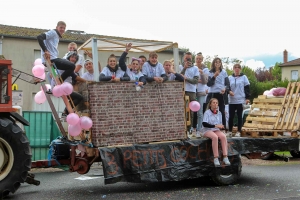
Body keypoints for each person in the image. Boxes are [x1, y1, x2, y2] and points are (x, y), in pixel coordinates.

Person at [50, 51, 85, 118]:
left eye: (75, 58)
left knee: (75, 98)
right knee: (79, 97)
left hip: (63, 88)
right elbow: (75, 77)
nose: (73, 59)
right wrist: (86, 81)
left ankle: (66, 112)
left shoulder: (66, 66)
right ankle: (66, 111)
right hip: (62, 88)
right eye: (72, 57)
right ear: (68, 57)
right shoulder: (68, 66)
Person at [201, 98, 231, 166]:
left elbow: (219, 124)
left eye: (216, 103)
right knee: (215, 137)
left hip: (215, 130)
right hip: (207, 130)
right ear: (210, 104)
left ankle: (225, 156)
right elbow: (204, 124)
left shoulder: (219, 113)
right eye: (214, 103)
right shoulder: (207, 112)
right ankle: (216, 158)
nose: (215, 104)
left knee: (223, 136)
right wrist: (215, 125)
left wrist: (221, 127)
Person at [206, 57, 231, 132]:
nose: (217, 63)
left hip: (221, 93)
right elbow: (209, 84)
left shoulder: (224, 72)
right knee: (212, 111)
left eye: (219, 62)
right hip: (213, 93)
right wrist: (214, 76)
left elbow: (227, 84)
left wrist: (225, 89)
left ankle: (223, 128)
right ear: (213, 63)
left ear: (221, 64)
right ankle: (211, 128)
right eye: (216, 62)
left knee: (222, 111)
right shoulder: (210, 72)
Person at [227, 63, 250, 137]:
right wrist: (229, 91)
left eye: (238, 67)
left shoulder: (244, 77)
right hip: (232, 99)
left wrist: (247, 98)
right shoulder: (230, 77)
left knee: (240, 116)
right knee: (231, 116)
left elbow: (247, 88)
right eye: (235, 67)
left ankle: (239, 131)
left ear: (240, 69)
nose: (237, 69)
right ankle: (230, 131)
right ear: (233, 69)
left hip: (240, 99)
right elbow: (227, 87)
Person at [180, 52, 199, 137]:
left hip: (191, 92)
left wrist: (186, 78)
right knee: (182, 110)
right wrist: (184, 68)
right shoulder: (180, 66)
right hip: (182, 90)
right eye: (186, 58)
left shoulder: (195, 68)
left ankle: (189, 129)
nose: (187, 60)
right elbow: (178, 77)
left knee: (190, 111)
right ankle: (182, 129)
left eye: (189, 59)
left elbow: (195, 81)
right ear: (184, 58)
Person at [195, 53, 209, 137]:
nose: (198, 60)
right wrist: (198, 80)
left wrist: (201, 72)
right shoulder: (192, 67)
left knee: (200, 112)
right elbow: (191, 79)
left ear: (202, 59)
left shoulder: (205, 69)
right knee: (193, 112)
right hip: (193, 91)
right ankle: (193, 128)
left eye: (200, 59)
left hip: (201, 92)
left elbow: (205, 81)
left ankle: (199, 129)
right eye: (197, 58)